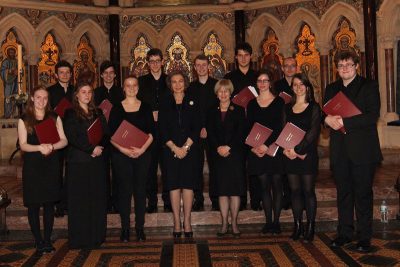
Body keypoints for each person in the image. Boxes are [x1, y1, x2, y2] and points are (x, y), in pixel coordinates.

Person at [324, 51, 382, 253]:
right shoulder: (331, 88)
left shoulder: (369, 86)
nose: (345, 68)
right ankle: (344, 233)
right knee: (344, 194)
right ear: (337, 68)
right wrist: (326, 120)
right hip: (340, 151)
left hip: (363, 151)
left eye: (348, 64)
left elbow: (372, 116)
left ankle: (364, 237)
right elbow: (325, 114)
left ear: (357, 65)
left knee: (363, 195)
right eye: (340, 65)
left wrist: (343, 121)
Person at [17, 86, 68, 254]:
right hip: (33, 166)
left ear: (48, 100)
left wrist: (52, 146)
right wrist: (40, 147)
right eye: (38, 97)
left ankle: (47, 240)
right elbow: (23, 145)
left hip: (51, 164)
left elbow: (64, 141)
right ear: (32, 98)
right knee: (33, 205)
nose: (41, 101)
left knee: (48, 204)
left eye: (45, 98)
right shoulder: (24, 119)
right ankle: (38, 240)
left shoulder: (54, 117)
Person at [64, 82, 109, 249]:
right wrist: (91, 149)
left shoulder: (97, 112)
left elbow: (105, 133)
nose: (87, 95)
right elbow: (72, 136)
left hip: (96, 162)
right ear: (76, 94)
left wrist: (99, 147)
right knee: (80, 200)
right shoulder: (70, 113)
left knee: (96, 199)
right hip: (79, 162)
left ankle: (97, 237)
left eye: (89, 92)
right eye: (83, 92)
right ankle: (80, 239)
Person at [109, 76, 154, 242]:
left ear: (138, 87)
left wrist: (142, 149)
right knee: (124, 192)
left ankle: (140, 228)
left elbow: (152, 133)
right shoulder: (116, 109)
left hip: (143, 155)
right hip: (122, 156)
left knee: (141, 191)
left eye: (134, 85)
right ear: (124, 88)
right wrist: (125, 150)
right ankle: (125, 228)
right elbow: (111, 136)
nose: (131, 88)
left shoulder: (146, 107)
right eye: (128, 85)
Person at [158, 71, 201, 238]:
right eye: (174, 82)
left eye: (180, 81)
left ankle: (187, 221)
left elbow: (197, 126)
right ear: (170, 84)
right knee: (174, 185)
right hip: (170, 151)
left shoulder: (193, 101)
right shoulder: (165, 102)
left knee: (188, 185)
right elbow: (162, 128)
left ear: (185, 83)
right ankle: (176, 222)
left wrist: (186, 147)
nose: (177, 84)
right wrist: (175, 148)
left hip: (190, 150)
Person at [282, 73, 321, 242]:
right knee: (295, 192)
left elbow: (313, 133)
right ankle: (298, 226)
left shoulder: (314, 107)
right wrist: (286, 148)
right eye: (295, 85)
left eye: (301, 84)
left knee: (308, 191)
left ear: (307, 87)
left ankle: (311, 227)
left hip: (307, 155)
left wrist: (298, 150)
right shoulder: (286, 108)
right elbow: (284, 130)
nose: (298, 87)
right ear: (292, 88)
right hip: (290, 155)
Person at [246, 69, 285, 234]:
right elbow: (249, 127)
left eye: (265, 80)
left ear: (270, 83)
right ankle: (268, 222)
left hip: (274, 149)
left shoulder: (279, 102)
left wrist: (267, 145)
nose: (262, 83)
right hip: (257, 151)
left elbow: (280, 127)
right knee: (264, 187)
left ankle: (276, 222)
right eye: (259, 81)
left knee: (276, 186)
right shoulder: (252, 103)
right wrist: (255, 147)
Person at [207, 79, 246, 237]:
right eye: (220, 91)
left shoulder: (238, 110)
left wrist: (229, 147)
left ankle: (234, 222)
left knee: (235, 191)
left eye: (226, 91)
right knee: (222, 191)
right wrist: (219, 147)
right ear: (217, 94)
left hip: (235, 154)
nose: (223, 94)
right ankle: (224, 223)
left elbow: (241, 133)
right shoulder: (211, 111)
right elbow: (210, 133)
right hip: (218, 155)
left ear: (230, 93)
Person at [224, 42, 260, 211]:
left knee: (254, 165)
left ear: (251, 57)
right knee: (238, 165)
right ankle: (242, 200)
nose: (243, 58)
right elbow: (225, 101)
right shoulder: (229, 78)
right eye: (240, 55)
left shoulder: (258, 76)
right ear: (236, 57)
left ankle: (256, 200)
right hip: (236, 128)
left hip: (254, 125)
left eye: (246, 55)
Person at [138, 48, 170, 213]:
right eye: (152, 61)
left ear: (162, 62)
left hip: (166, 132)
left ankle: (167, 201)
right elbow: (138, 107)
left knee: (167, 168)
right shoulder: (141, 82)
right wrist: (150, 115)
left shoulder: (170, 81)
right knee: (149, 169)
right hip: (148, 132)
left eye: (158, 61)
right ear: (148, 63)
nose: (155, 64)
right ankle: (151, 201)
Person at [187, 54, 218, 211]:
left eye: (203, 65)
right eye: (197, 65)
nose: (200, 68)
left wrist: (208, 128)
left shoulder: (216, 85)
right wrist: (199, 129)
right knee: (195, 168)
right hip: (196, 135)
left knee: (215, 167)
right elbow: (191, 113)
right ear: (194, 67)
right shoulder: (190, 88)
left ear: (208, 67)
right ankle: (198, 198)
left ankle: (216, 198)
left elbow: (218, 111)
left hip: (213, 134)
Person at [94, 60, 124, 213]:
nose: (108, 76)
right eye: (105, 73)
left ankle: (118, 203)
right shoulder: (95, 93)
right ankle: (105, 203)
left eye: (111, 73)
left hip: (119, 137)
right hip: (102, 138)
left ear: (115, 75)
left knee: (118, 171)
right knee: (103, 172)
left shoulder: (121, 92)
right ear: (101, 75)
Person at [47, 60, 75, 217]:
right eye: (62, 72)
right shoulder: (50, 92)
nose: (65, 75)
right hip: (56, 137)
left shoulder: (76, 90)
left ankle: (69, 202)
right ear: (56, 74)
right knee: (56, 172)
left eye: (67, 72)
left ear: (71, 74)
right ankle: (58, 205)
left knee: (71, 172)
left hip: (72, 137)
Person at [274, 56, 298, 210]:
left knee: (296, 167)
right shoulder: (276, 86)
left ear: (296, 68)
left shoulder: (302, 84)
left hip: (298, 129)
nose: (289, 68)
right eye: (286, 66)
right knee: (283, 167)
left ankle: (295, 197)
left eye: (292, 66)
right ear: (282, 69)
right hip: (281, 128)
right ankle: (285, 197)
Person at [1, 47, 18, 118]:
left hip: (16, 82)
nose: (12, 54)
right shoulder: (5, 61)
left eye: (13, 52)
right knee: (8, 97)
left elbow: (21, 71)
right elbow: (2, 71)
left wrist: (19, 72)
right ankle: (7, 114)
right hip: (8, 83)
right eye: (10, 52)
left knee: (16, 97)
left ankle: (15, 113)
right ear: (7, 53)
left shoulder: (17, 61)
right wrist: (10, 71)